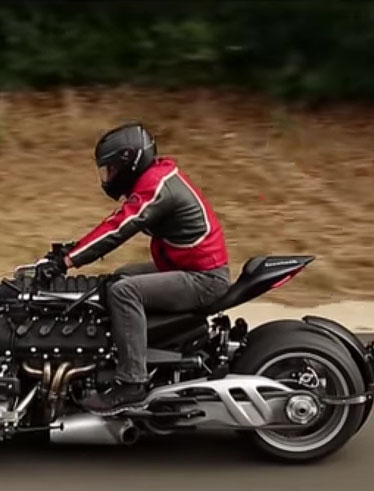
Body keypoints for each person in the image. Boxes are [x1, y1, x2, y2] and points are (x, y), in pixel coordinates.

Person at [41, 122, 231, 414]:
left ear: (130, 162)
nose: (108, 178)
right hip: (186, 267)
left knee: (124, 292)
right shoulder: (156, 177)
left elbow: (121, 226)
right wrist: (71, 248)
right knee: (121, 277)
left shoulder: (157, 185)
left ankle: (132, 382)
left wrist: (68, 260)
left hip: (203, 279)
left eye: (112, 169)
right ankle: (128, 351)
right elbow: (115, 221)